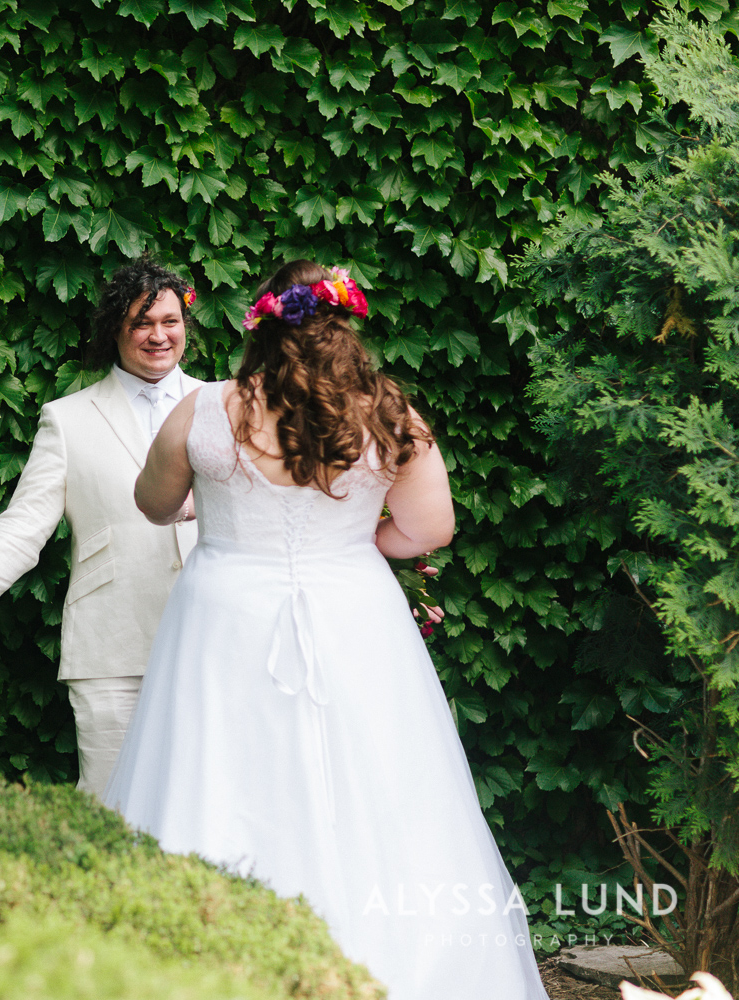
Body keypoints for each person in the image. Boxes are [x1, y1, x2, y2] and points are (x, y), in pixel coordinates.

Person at [103, 260, 547, 999]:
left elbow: (153, 502)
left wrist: (206, 501)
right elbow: (431, 527)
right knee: (377, 784)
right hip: (354, 614)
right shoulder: (389, 413)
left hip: (222, 617)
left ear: (262, 324)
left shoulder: (205, 410)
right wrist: (363, 543)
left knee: (212, 774)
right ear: (343, 325)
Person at [0, 257, 208, 797]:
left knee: (213, 801)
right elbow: (23, 525)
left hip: (215, 635)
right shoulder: (68, 419)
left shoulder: (228, 405)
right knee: (115, 803)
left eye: (170, 321)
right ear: (116, 329)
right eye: (142, 323)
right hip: (113, 645)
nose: (159, 336)